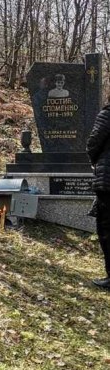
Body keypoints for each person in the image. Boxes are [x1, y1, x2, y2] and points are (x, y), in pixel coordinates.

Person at [86, 101, 110, 290]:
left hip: (108, 183)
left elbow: (94, 142)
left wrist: (96, 161)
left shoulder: (108, 113)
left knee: (107, 229)